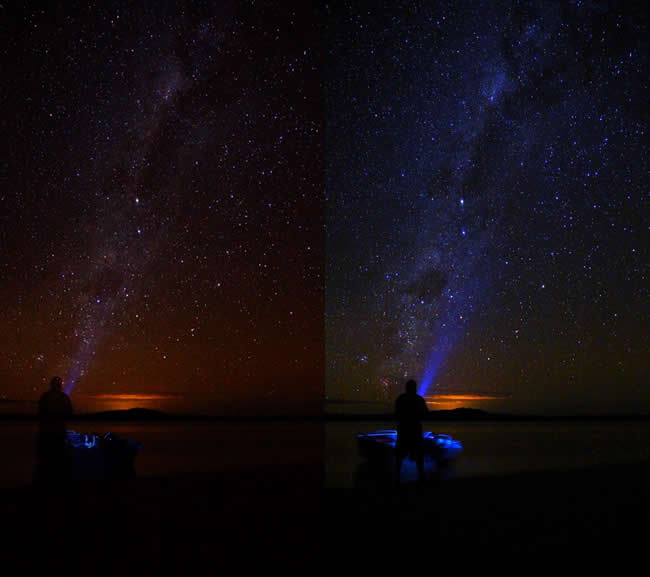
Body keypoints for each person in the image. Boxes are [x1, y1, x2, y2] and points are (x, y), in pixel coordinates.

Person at [36, 376, 73, 484]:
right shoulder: (63, 397)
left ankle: (46, 480)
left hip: (47, 432)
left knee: (48, 458)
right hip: (57, 431)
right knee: (58, 456)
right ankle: (58, 480)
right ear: (60, 385)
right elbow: (69, 412)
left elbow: (40, 411)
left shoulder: (45, 397)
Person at [394, 379, 428, 483]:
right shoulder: (419, 399)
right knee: (419, 456)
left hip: (403, 430)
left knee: (399, 456)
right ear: (415, 388)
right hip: (415, 430)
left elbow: (397, 413)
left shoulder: (400, 399)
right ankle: (421, 477)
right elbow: (425, 413)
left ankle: (397, 478)